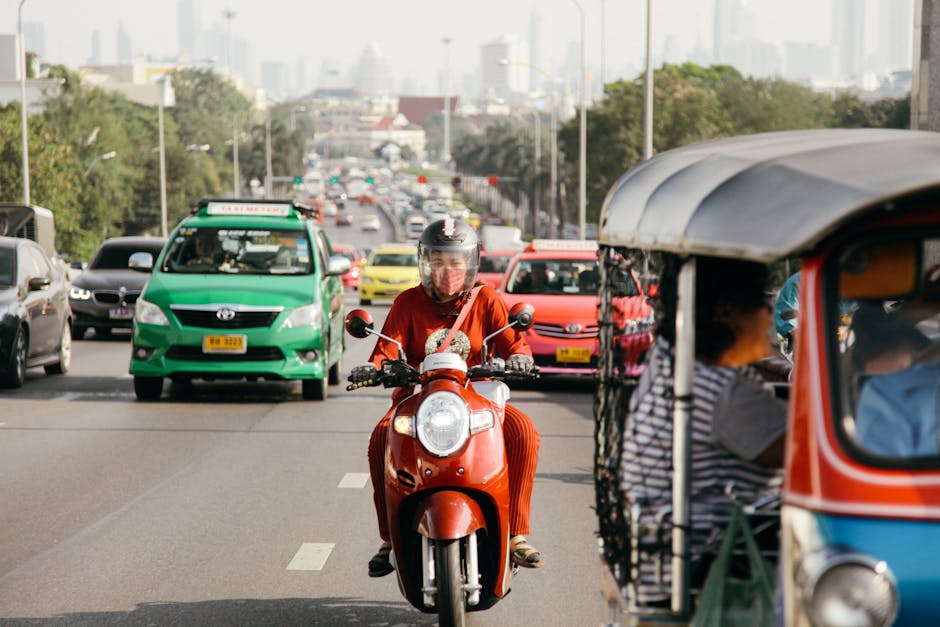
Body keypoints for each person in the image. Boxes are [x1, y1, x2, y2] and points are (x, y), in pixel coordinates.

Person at [350, 218, 543, 578]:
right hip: (416, 398)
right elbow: (384, 351)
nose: (447, 270)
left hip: (476, 400)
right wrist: (374, 369)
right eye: (438, 261)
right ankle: (390, 538)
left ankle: (515, 533)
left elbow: (515, 344)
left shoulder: (485, 299)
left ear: (470, 264)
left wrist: (521, 359)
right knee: (380, 438)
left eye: (455, 262)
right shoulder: (407, 302)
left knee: (523, 431)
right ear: (425, 262)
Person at [620, 255, 786, 606]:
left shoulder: (668, 358)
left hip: (663, 560)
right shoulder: (724, 391)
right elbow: (816, 452)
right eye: (761, 304)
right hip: (719, 573)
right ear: (725, 313)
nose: (768, 317)